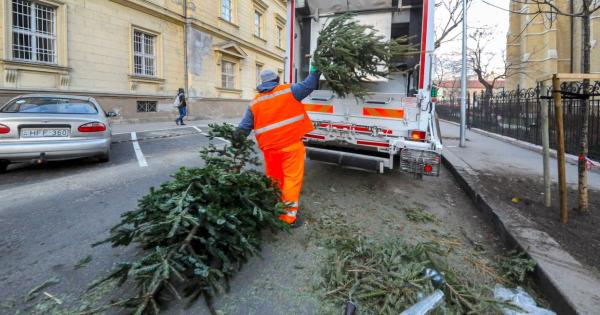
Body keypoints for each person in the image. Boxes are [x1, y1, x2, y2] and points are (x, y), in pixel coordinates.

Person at [238, 66, 320, 227]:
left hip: (270, 150)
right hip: (290, 147)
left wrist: (235, 144)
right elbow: (310, 84)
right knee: (291, 180)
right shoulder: (289, 90)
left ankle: (275, 208)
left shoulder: (255, 102)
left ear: (262, 84)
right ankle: (288, 218)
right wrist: (315, 70)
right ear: (277, 80)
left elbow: (243, 128)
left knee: (275, 179)